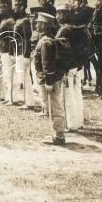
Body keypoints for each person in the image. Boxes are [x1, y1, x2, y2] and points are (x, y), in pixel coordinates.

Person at [32, 11, 66, 145]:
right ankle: (56, 133)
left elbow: (47, 64)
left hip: (49, 81)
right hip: (48, 80)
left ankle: (59, 135)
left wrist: (49, 81)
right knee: (51, 106)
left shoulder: (46, 42)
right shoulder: (47, 40)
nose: (36, 25)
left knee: (54, 106)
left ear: (45, 25)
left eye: (39, 23)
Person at [13, 0, 35, 109]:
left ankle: (29, 102)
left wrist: (27, 55)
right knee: (22, 77)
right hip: (18, 51)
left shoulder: (25, 21)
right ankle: (28, 101)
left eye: (16, 5)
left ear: (22, 6)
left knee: (26, 77)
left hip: (22, 52)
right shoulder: (18, 20)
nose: (14, 7)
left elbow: (27, 38)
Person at [0, 0, 17, 105]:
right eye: (0, 7)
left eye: (3, 7)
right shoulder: (3, 21)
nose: (0, 9)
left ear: (8, 8)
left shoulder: (10, 21)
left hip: (8, 52)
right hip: (3, 51)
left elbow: (12, 39)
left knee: (10, 75)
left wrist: (12, 53)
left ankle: (12, 98)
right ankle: (8, 97)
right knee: (6, 75)